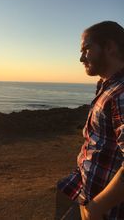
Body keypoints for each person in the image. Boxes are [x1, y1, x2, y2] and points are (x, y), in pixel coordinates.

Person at [56, 21, 124, 220]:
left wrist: (96, 207)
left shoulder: (121, 93)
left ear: (110, 47)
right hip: (87, 192)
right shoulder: (107, 86)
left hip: (105, 210)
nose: (81, 58)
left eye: (86, 49)